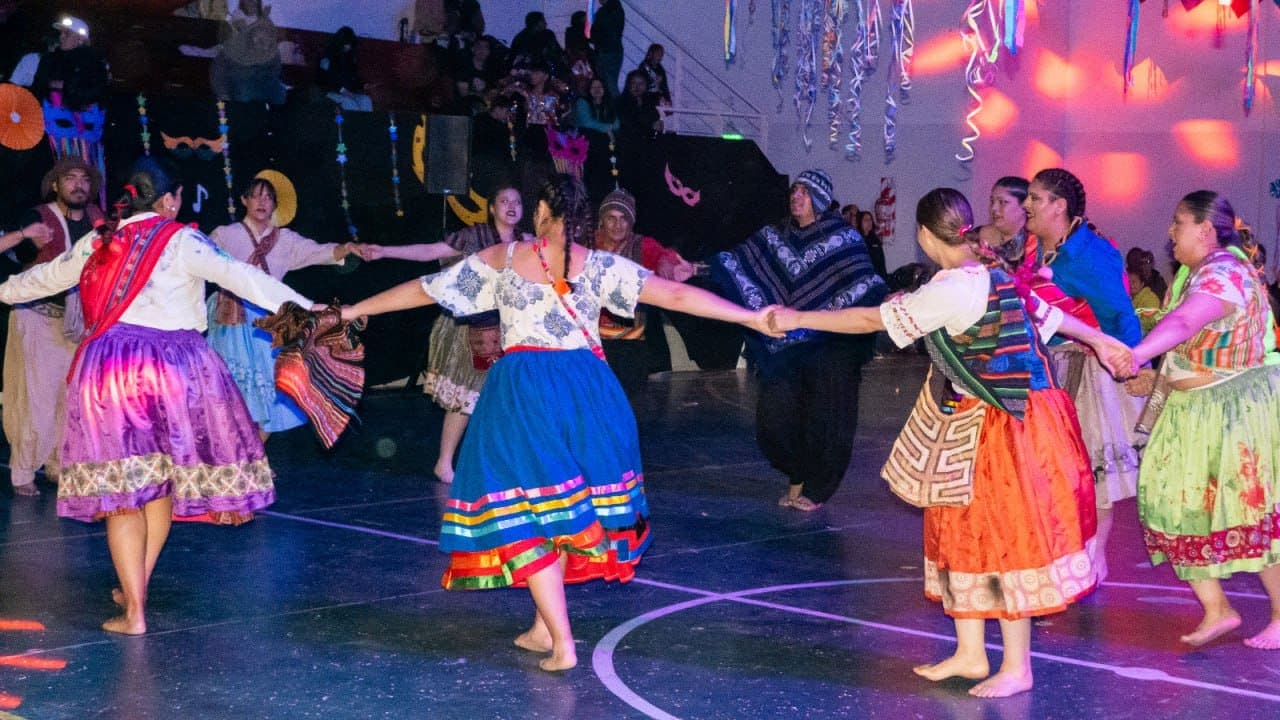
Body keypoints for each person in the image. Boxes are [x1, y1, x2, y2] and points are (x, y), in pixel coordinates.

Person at [339, 174, 777, 672]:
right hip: (589, 395)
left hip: (526, 392)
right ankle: (544, 626)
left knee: (527, 514)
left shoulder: (504, 260)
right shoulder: (602, 264)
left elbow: (425, 290)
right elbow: (676, 297)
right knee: (564, 510)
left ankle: (563, 643)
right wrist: (748, 317)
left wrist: (353, 309)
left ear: (542, 213)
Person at [769, 187, 1114, 697]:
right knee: (959, 531)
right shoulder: (992, 271)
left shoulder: (956, 285)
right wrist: (1104, 341)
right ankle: (971, 653)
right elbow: (1050, 316)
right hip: (994, 418)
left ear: (925, 236)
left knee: (1001, 539)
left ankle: (1017, 668)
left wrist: (798, 317)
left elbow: (872, 321)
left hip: (1004, 424)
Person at [0, 157, 318, 635]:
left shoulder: (100, 240)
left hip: (110, 372)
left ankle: (135, 607)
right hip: (176, 370)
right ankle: (134, 594)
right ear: (170, 199)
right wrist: (314, 312)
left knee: (125, 491)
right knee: (160, 484)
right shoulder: (183, 239)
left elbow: (40, 280)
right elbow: (244, 280)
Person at [1120, 191, 1280, 649]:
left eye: (1178, 222)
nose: (1170, 232)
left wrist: (1136, 354)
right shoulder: (1194, 272)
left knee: (1249, 510)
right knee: (1174, 503)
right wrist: (1154, 379)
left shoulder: (1225, 273)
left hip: (1234, 410)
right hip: (1192, 409)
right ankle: (1218, 609)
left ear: (1205, 230)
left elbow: (1185, 324)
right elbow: (1187, 347)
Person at [709, 169, 887, 511]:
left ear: (819, 199)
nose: (796, 197)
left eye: (804, 192)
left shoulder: (843, 238)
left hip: (830, 345)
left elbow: (864, 285)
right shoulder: (774, 236)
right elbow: (737, 264)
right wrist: (697, 269)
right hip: (785, 347)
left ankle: (817, 488)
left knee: (826, 418)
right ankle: (797, 472)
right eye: (794, 191)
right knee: (773, 422)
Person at [360, 182, 529, 484]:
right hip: (471, 329)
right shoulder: (474, 235)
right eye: (503, 201)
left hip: (511, 330)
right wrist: (385, 251)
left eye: (516, 201)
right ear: (492, 208)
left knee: (506, 398)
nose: (511, 206)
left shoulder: (526, 243)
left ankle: (501, 460)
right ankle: (444, 462)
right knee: (467, 395)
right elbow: (430, 252)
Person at [1023, 167, 1144, 581]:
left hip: (1088, 374)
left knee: (1092, 472)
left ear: (1060, 207)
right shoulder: (1036, 249)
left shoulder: (1092, 254)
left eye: (1035, 198)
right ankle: (1058, 554)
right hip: (1045, 372)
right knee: (1047, 470)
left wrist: (1133, 367)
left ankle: (1093, 559)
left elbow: (1120, 316)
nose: (1027, 205)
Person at [206, 176, 362, 439]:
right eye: (256, 196)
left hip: (270, 321)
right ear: (244, 200)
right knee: (231, 390)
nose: (262, 202)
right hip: (230, 318)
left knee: (271, 390)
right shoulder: (224, 235)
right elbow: (199, 263)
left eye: (268, 198)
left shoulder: (285, 240)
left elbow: (319, 252)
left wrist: (346, 248)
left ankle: (256, 456)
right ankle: (232, 456)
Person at [2, 158, 105, 496]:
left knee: (72, 399)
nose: (79, 184)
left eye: (84, 179)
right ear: (56, 185)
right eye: (70, 178)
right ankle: (23, 473)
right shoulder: (37, 216)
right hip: (39, 315)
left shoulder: (98, 221)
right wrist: (23, 235)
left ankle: (59, 466)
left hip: (80, 324)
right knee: (37, 400)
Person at [591, 189, 694, 401]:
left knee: (632, 402)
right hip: (594, 343)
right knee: (599, 401)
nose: (617, 225)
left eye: (623, 219)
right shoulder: (588, 245)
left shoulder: (642, 245)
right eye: (611, 218)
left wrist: (665, 261)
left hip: (633, 342)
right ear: (602, 220)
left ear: (631, 222)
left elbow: (665, 255)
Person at [210, 0, 284, 104]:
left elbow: (275, 65)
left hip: (262, 73)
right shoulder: (237, 17)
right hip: (242, 70)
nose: (252, 3)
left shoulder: (264, 21)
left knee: (279, 92)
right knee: (244, 92)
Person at [978, 176, 1039, 273]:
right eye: (992, 201)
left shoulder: (1035, 245)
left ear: (1024, 206)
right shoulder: (977, 236)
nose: (994, 208)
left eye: (1002, 202)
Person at [317, 26, 372, 111]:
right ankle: (352, 124)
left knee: (365, 100)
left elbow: (354, 78)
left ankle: (366, 124)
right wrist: (343, 91)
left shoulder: (349, 58)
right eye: (347, 44)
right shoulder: (328, 57)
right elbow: (328, 80)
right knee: (349, 103)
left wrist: (363, 85)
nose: (349, 47)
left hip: (349, 93)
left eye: (350, 44)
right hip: (331, 93)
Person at [1125, 247, 1167, 335]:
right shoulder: (1128, 295)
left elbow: (1152, 320)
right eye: (1142, 262)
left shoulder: (1156, 281)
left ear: (1142, 283)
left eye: (1148, 262)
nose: (1131, 285)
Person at [593, 0, 625, 96]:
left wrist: (593, 37)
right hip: (615, 49)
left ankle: (617, 107)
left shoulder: (604, 12)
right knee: (610, 82)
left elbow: (598, 31)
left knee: (608, 83)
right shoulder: (618, 9)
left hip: (606, 50)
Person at [856, 210, 887, 279]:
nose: (869, 222)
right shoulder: (857, 240)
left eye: (870, 220)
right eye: (866, 220)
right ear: (859, 222)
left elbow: (881, 263)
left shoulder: (875, 240)